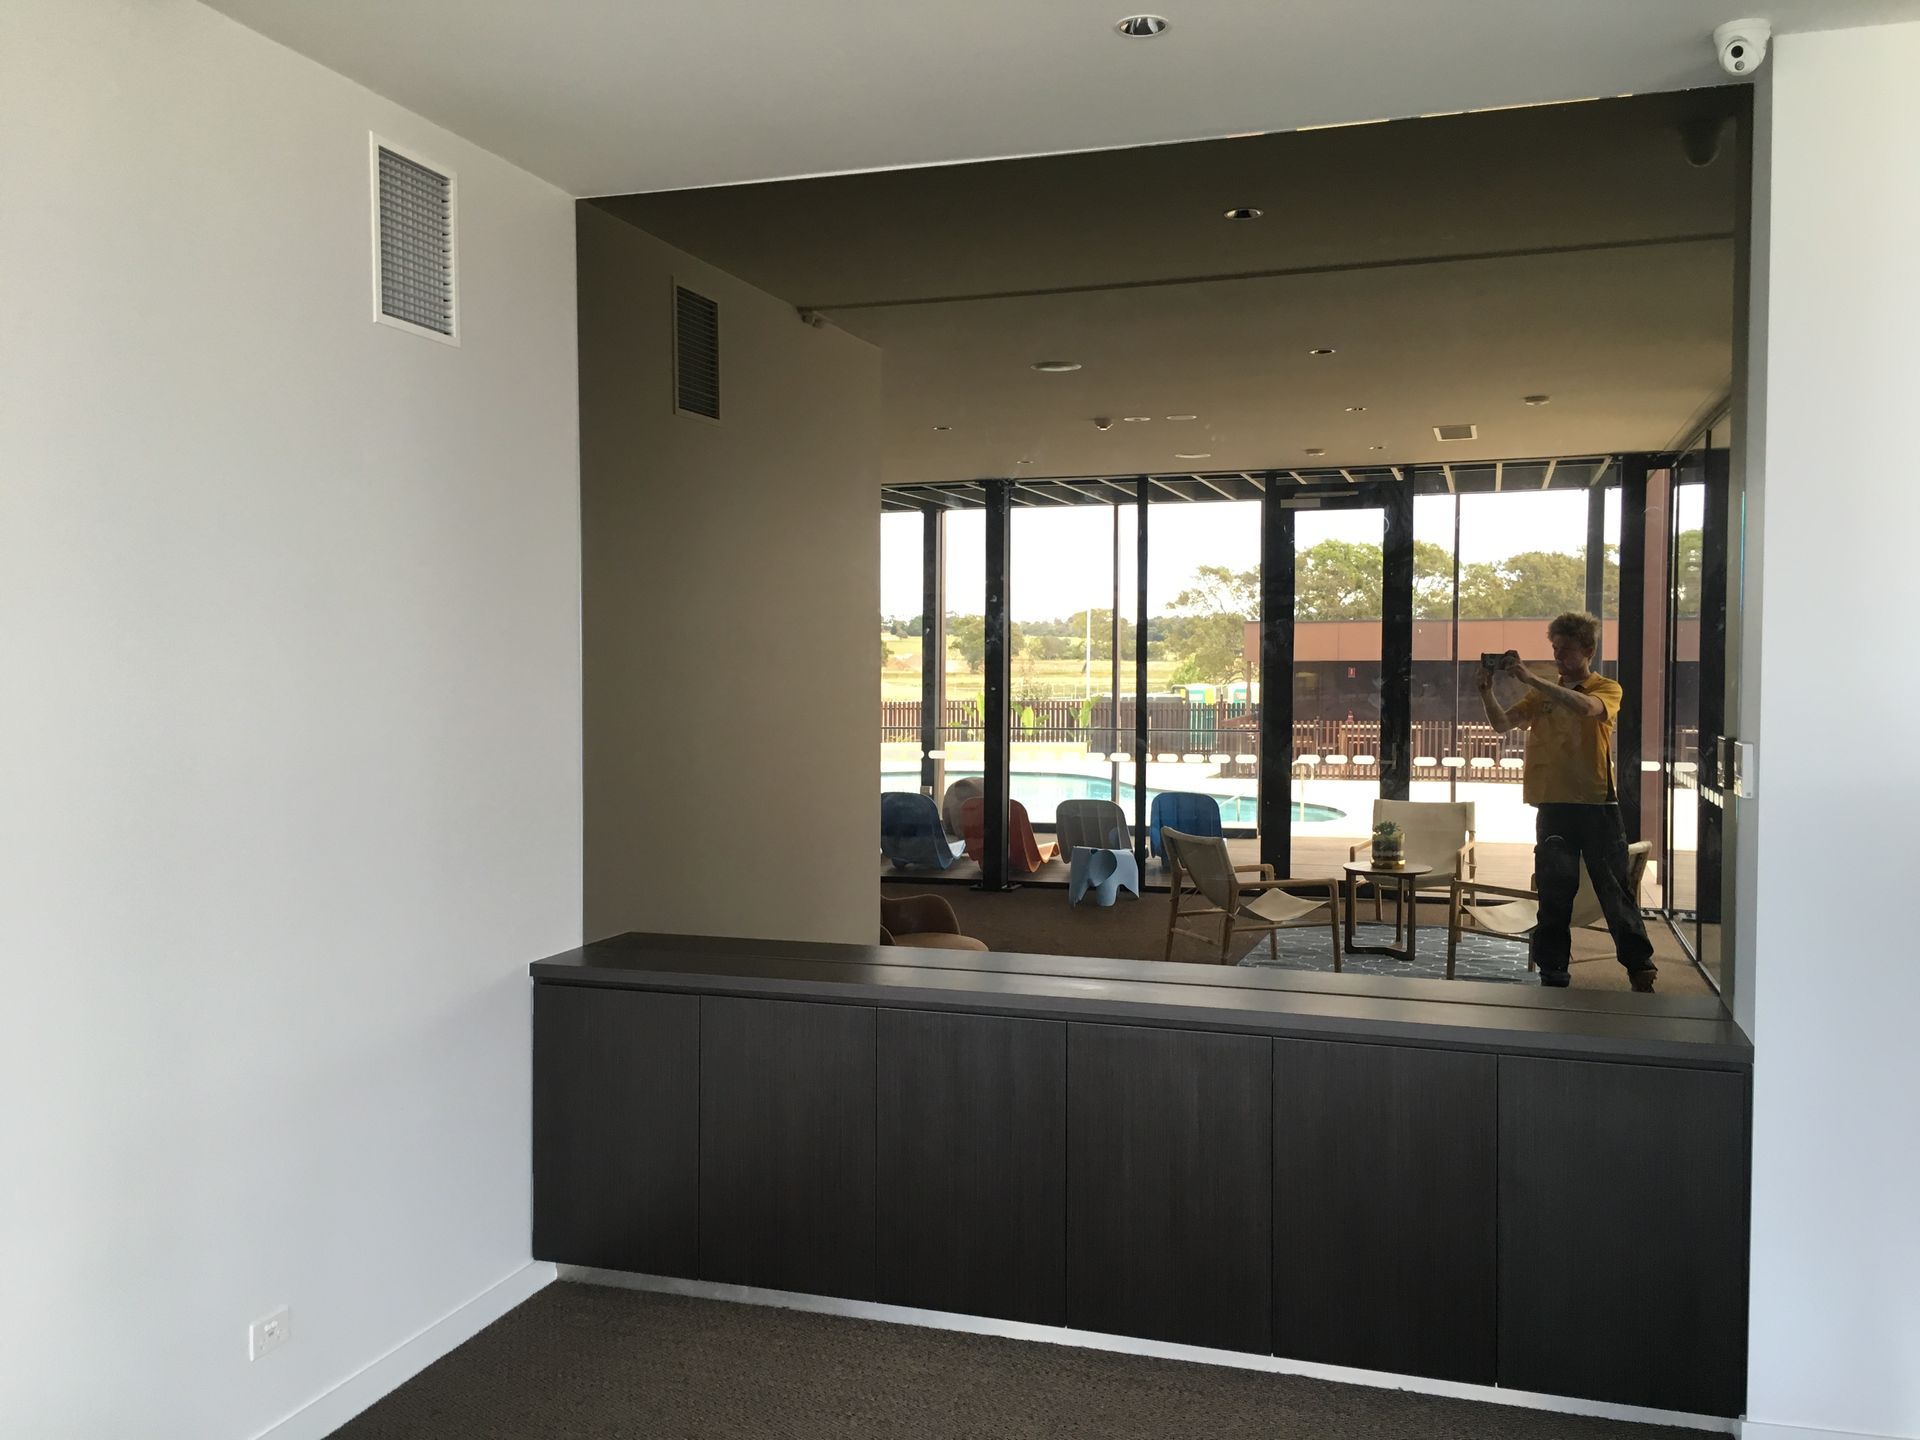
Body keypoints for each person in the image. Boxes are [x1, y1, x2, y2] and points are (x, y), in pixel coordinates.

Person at [1477, 611, 1656, 992]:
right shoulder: (1540, 693)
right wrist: (1486, 692)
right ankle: (1553, 970)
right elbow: (1502, 724)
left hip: (1597, 805)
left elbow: (1587, 708)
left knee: (1614, 891)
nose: (1559, 657)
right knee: (1554, 892)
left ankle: (1640, 966)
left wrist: (1532, 679)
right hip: (1553, 805)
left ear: (1588, 650)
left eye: (1566, 650)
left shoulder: (1606, 687)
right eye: (1555, 649)